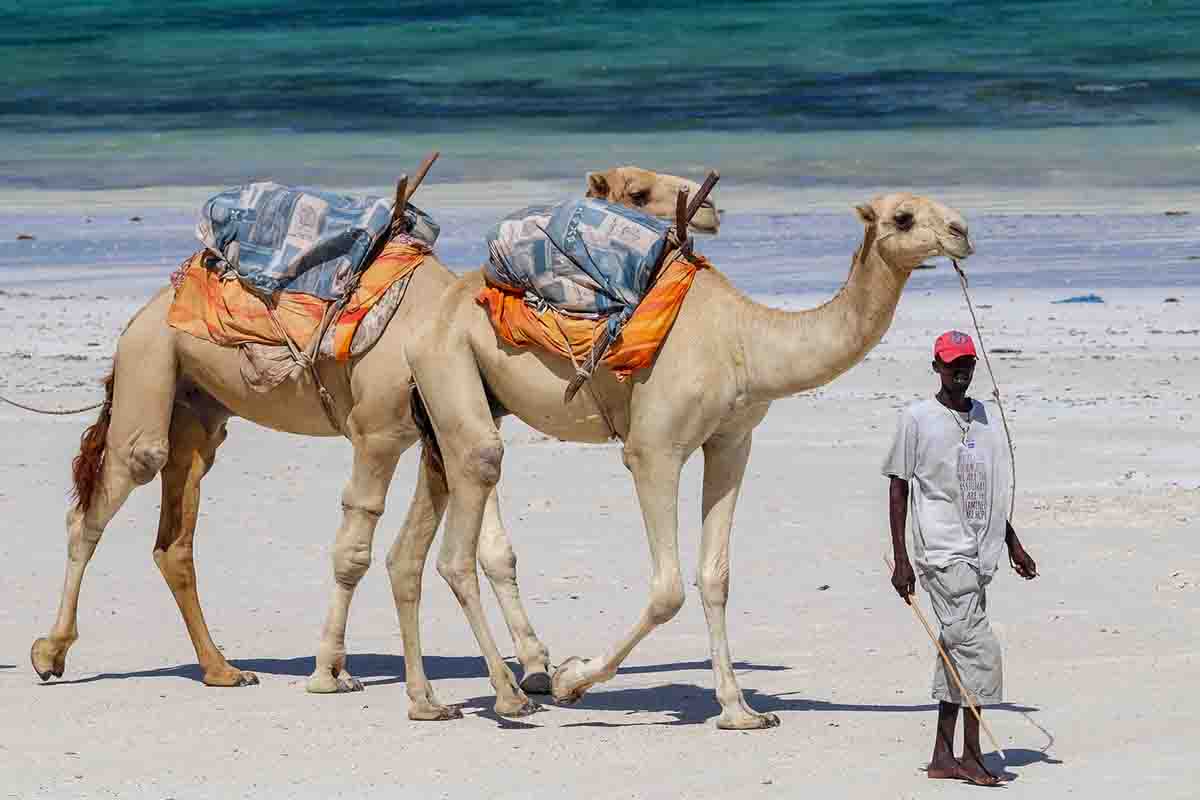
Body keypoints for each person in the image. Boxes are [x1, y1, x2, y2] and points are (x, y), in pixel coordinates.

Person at [883, 330, 1038, 786]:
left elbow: (987, 490)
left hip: (980, 552)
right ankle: (971, 756)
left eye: (967, 363)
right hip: (941, 552)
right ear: (936, 367)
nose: (960, 372)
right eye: (952, 364)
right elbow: (898, 485)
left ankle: (941, 757)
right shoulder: (917, 418)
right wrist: (901, 560)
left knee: (957, 650)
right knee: (979, 650)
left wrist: (1012, 542)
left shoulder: (983, 416)